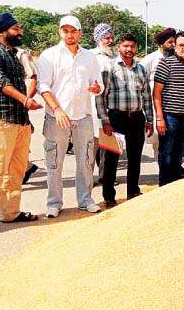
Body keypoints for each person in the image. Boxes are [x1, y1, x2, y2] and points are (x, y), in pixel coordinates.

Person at [37, 15, 103, 217]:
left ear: (80, 33)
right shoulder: (49, 55)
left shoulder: (89, 57)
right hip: (56, 117)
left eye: (73, 31)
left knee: (85, 161)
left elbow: (98, 84)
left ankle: (85, 200)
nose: (69, 35)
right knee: (54, 162)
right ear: (60, 32)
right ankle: (54, 203)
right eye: (65, 31)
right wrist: (57, 109)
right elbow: (43, 86)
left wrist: (96, 88)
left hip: (83, 116)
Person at [0, 12, 42, 239]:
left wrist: (26, 119)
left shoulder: (14, 54)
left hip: (19, 121)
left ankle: (10, 213)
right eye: (16, 28)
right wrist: (25, 100)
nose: (20, 32)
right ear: (2, 32)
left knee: (15, 171)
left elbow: (25, 82)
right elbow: (0, 82)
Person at [95, 34, 153, 207]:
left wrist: (149, 119)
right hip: (115, 118)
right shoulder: (109, 67)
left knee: (135, 157)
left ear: (136, 48)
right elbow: (100, 96)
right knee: (111, 158)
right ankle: (109, 196)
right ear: (119, 47)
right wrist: (105, 120)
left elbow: (146, 96)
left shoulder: (141, 69)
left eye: (132, 46)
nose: (129, 49)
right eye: (125, 46)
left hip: (137, 118)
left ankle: (133, 191)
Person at [153, 31, 184, 186]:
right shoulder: (166, 64)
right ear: (175, 46)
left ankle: (174, 185)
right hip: (169, 117)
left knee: (180, 151)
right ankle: (164, 185)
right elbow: (157, 93)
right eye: (182, 45)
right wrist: (160, 118)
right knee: (166, 152)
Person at [140, 27, 176, 162]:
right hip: (156, 107)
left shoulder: (177, 58)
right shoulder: (151, 59)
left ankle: (174, 167)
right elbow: (139, 79)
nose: (173, 45)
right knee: (159, 142)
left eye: (174, 42)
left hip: (174, 107)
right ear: (161, 44)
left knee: (176, 142)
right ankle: (163, 169)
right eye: (170, 42)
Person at [90, 23, 116, 184]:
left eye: (112, 37)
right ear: (99, 39)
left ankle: (106, 177)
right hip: (92, 107)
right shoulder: (90, 56)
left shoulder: (116, 57)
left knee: (108, 143)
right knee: (91, 145)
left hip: (112, 107)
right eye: (107, 38)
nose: (110, 41)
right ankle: (87, 178)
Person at [15, 46, 40, 184]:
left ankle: (25, 167)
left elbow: (34, 79)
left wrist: (26, 101)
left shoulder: (20, 54)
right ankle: (26, 166)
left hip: (17, 107)